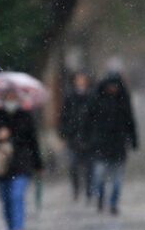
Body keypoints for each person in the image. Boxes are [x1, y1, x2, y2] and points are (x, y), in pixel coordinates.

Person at [0, 89, 43, 230]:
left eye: (13, 97)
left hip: (22, 164)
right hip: (2, 166)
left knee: (17, 196)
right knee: (7, 200)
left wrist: (38, 164)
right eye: (8, 97)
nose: (11, 100)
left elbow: (33, 141)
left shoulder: (25, 116)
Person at [85, 72, 138, 215]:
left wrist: (133, 140)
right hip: (101, 145)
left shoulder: (123, 101)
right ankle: (101, 197)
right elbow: (88, 121)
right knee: (99, 175)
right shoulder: (96, 99)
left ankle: (113, 203)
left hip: (119, 145)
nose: (113, 88)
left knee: (117, 178)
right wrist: (88, 139)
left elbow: (130, 122)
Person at [58, 71, 94, 202]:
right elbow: (64, 117)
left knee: (89, 167)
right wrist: (64, 133)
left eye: (83, 79)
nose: (81, 82)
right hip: (73, 138)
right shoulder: (69, 97)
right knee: (73, 166)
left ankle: (89, 190)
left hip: (88, 138)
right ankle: (76, 189)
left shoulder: (91, 95)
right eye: (79, 79)